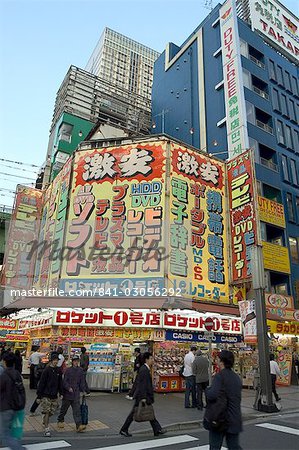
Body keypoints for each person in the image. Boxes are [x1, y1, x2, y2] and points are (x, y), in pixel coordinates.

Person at [120, 351, 165, 437]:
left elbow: (138, 383)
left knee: (148, 411)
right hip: (142, 396)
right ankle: (124, 429)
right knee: (139, 412)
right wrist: (143, 397)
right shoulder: (144, 370)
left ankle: (157, 429)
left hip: (142, 395)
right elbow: (142, 384)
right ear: (146, 359)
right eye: (151, 358)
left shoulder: (144, 369)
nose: (152, 360)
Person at [206, 350, 242, 450]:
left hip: (220, 418)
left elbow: (212, 395)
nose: (216, 360)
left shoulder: (219, 376)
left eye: (217, 358)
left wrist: (207, 390)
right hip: (234, 417)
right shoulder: (236, 378)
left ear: (221, 361)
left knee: (215, 446)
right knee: (234, 446)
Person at [0, 351, 26, 450]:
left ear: (5, 362)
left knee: (6, 433)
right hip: (17, 406)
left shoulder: (4, 375)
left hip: (6, 407)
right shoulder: (17, 374)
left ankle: (19, 448)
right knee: (12, 430)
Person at [57, 354, 86, 433]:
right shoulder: (68, 370)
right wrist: (68, 388)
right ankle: (60, 420)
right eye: (75, 361)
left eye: (77, 361)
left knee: (77, 410)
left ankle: (78, 425)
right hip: (67, 394)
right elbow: (64, 381)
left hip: (76, 393)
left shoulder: (80, 370)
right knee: (64, 409)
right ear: (72, 362)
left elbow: (82, 381)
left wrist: (83, 391)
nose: (76, 362)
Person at [36, 352, 62, 437]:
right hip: (46, 394)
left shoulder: (59, 370)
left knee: (52, 411)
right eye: (54, 360)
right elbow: (42, 383)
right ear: (51, 361)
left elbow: (60, 383)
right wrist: (39, 396)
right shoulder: (46, 370)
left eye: (57, 360)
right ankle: (47, 429)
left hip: (54, 395)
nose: (55, 361)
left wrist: (61, 393)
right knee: (47, 412)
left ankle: (44, 420)